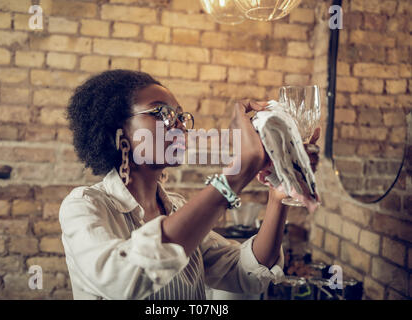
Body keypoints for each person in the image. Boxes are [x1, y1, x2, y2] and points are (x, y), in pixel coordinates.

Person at [60, 69, 320, 300]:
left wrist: (278, 194)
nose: (179, 126)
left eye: (181, 117)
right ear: (118, 129)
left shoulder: (177, 208)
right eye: (162, 112)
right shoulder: (84, 206)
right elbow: (124, 278)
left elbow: (245, 273)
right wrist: (238, 172)